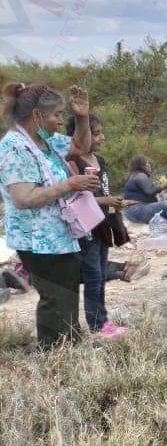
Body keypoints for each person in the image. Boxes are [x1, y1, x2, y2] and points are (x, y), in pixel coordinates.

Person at [0, 83, 100, 349]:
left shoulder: (43, 140)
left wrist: (82, 117)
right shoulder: (15, 147)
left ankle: (69, 345)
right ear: (37, 115)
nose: (59, 121)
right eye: (57, 114)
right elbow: (23, 198)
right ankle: (52, 351)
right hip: (37, 240)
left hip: (57, 235)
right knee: (55, 298)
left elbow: (81, 146)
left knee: (66, 294)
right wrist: (70, 185)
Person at [68, 115, 129, 339]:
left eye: (101, 132)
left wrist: (113, 205)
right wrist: (106, 201)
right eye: (96, 133)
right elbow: (75, 197)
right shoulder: (74, 162)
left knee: (101, 273)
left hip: (102, 224)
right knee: (93, 276)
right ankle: (97, 325)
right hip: (87, 227)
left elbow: (102, 191)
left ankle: (102, 321)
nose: (101, 137)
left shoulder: (99, 161)